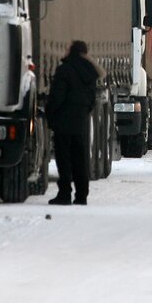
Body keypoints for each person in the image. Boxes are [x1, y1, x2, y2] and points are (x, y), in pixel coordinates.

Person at [45, 40, 104, 205]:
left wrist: (51, 115)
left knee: (64, 160)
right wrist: (84, 113)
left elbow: (57, 96)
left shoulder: (65, 70)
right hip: (80, 122)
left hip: (63, 121)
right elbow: (92, 99)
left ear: (72, 51)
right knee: (80, 159)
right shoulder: (90, 73)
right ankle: (81, 195)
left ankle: (64, 194)